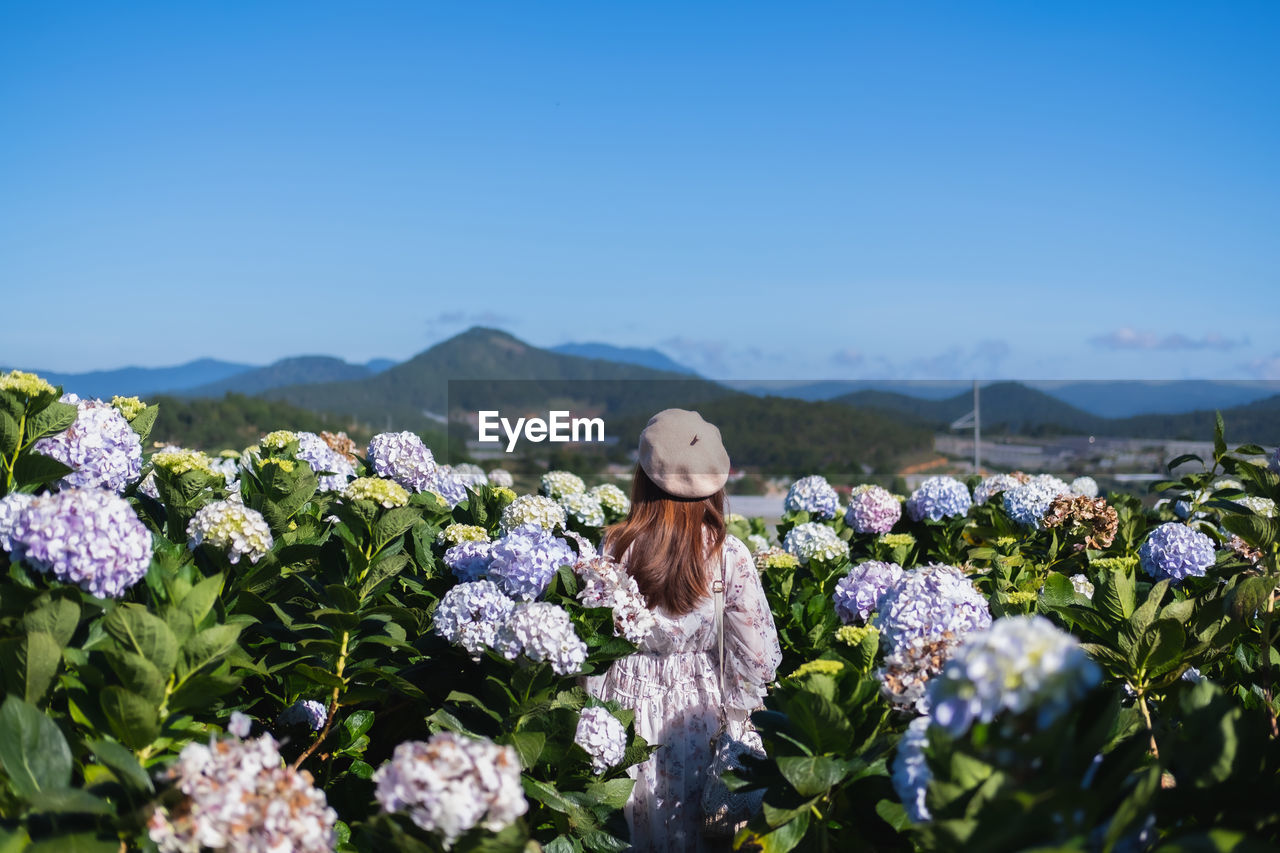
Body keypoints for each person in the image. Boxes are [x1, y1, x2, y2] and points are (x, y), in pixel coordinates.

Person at [585, 409, 782, 851]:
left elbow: (597, 642)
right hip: (697, 714)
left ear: (644, 477)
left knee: (631, 829)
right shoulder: (729, 555)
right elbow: (757, 659)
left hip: (624, 714)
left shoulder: (616, 546)